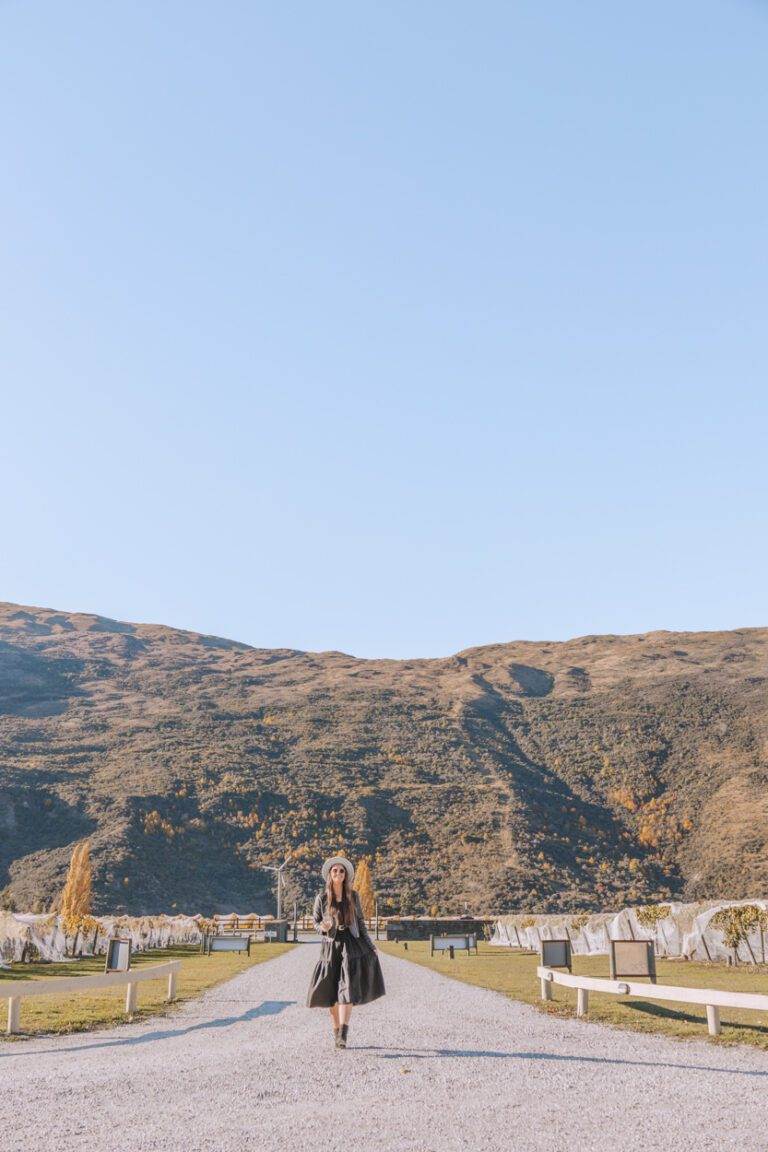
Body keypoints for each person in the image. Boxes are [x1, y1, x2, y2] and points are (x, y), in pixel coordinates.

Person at [306, 855, 386, 1048]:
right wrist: (323, 928)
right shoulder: (322, 898)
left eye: (342, 871)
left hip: (350, 943)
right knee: (330, 990)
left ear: (346, 875)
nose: (339, 874)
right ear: (330, 874)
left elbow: (360, 923)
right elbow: (316, 922)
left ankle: (343, 1033)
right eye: (335, 871)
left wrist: (370, 944)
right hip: (330, 945)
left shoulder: (353, 896)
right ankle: (336, 1032)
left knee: (347, 988)